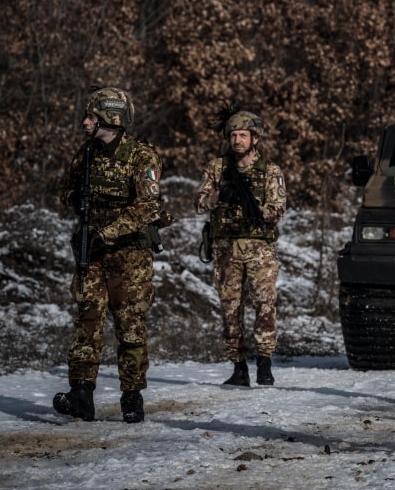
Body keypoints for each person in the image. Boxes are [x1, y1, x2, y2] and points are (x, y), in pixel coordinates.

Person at [54, 86, 171, 424]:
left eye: (91, 116)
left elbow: (147, 207)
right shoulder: (87, 153)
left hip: (128, 255)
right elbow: (66, 190)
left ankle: (132, 395)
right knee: (87, 320)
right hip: (92, 252)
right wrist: (75, 200)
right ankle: (81, 392)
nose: (84, 122)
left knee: (129, 325)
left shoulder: (141, 157)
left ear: (110, 118)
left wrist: (106, 234)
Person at [194, 109, 288, 387]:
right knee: (230, 308)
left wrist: (253, 208)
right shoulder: (217, 168)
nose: (237, 140)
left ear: (255, 138)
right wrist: (219, 195)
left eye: (243, 135)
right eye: (234, 135)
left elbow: (278, 208)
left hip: (259, 249)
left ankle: (264, 363)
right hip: (226, 249)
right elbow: (199, 202)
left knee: (264, 305)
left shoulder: (270, 170)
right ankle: (238, 366)